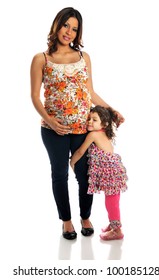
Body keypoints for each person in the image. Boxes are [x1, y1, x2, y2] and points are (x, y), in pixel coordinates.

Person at [30, 7, 125, 240]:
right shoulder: (41, 59)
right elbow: (34, 96)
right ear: (56, 25)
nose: (69, 32)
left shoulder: (84, 58)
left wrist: (111, 111)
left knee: (84, 175)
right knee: (60, 174)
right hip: (53, 131)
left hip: (82, 129)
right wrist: (51, 122)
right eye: (66, 25)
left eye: (74, 29)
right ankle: (67, 221)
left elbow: (90, 92)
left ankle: (85, 216)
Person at [70, 105, 128, 240]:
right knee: (113, 200)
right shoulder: (103, 133)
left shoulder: (93, 134)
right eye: (89, 118)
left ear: (105, 123)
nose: (90, 122)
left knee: (111, 202)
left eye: (94, 120)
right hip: (115, 170)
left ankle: (117, 231)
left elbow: (80, 151)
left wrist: (72, 162)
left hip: (111, 173)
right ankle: (113, 223)